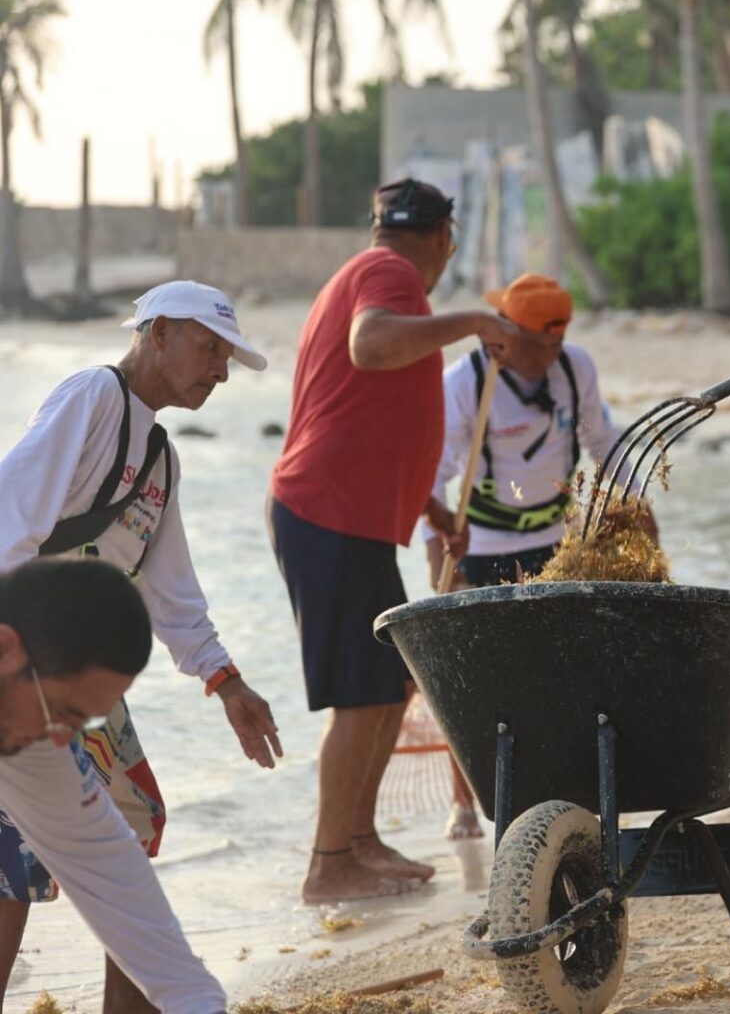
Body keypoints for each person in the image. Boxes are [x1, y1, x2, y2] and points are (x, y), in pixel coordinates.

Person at [0, 281, 282, 1012]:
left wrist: (226, 681)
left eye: (226, 357)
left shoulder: (160, 460)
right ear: (156, 333)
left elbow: (171, 590)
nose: (219, 371)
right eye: (209, 348)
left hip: (69, 678)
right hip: (28, 662)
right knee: (15, 847)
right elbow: (12, 517)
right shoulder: (94, 397)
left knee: (132, 818)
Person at [268, 177, 518, 903]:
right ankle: (327, 862)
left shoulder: (377, 274)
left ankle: (358, 840)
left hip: (352, 517)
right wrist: (473, 318)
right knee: (360, 694)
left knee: (389, 685)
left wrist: (433, 512)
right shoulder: (389, 274)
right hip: (327, 513)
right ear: (445, 237)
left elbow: (367, 416)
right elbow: (371, 349)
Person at [423, 273, 628, 839]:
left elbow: (602, 442)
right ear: (505, 333)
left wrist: (632, 500)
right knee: (466, 683)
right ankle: (464, 803)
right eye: (537, 344)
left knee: (557, 674)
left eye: (557, 343)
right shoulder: (465, 384)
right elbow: (430, 477)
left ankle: (556, 791)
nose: (548, 356)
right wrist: (436, 550)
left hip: (554, 542)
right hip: (480, 545)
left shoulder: (574, 368)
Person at [0, 558, 228, 1013]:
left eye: (83, 722)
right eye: (63, 712)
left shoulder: (38, 740)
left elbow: (119, 885)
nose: (65, 740)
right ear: (6, 649)